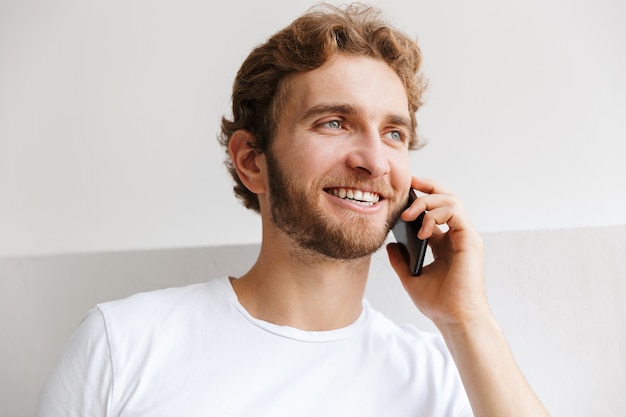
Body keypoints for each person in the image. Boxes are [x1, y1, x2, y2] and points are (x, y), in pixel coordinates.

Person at [36, 3, 550, 416]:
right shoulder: (121, 346)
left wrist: (466, 319)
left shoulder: (448, 376)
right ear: (251, 160)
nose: (374, 161)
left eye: (394, 133)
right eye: (333, 122)